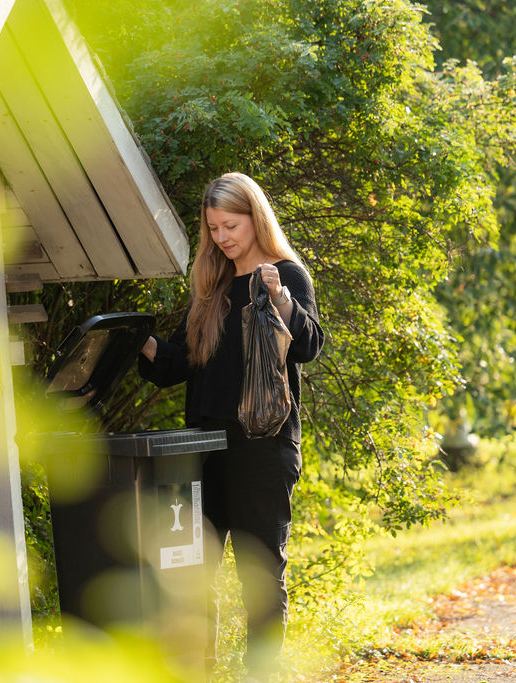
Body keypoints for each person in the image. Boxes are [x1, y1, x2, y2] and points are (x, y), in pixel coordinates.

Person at [138, 172, 325, 680]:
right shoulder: (212, 286)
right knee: (190, 574)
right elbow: (177, 363)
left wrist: (280, 299)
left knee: (260, 574)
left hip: (262, 449)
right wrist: (137, 338)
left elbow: (308, 346)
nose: (222, 237)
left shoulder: (286, 273)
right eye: (214, 227)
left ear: (255, 217)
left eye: (231, 224)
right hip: (202, 449)